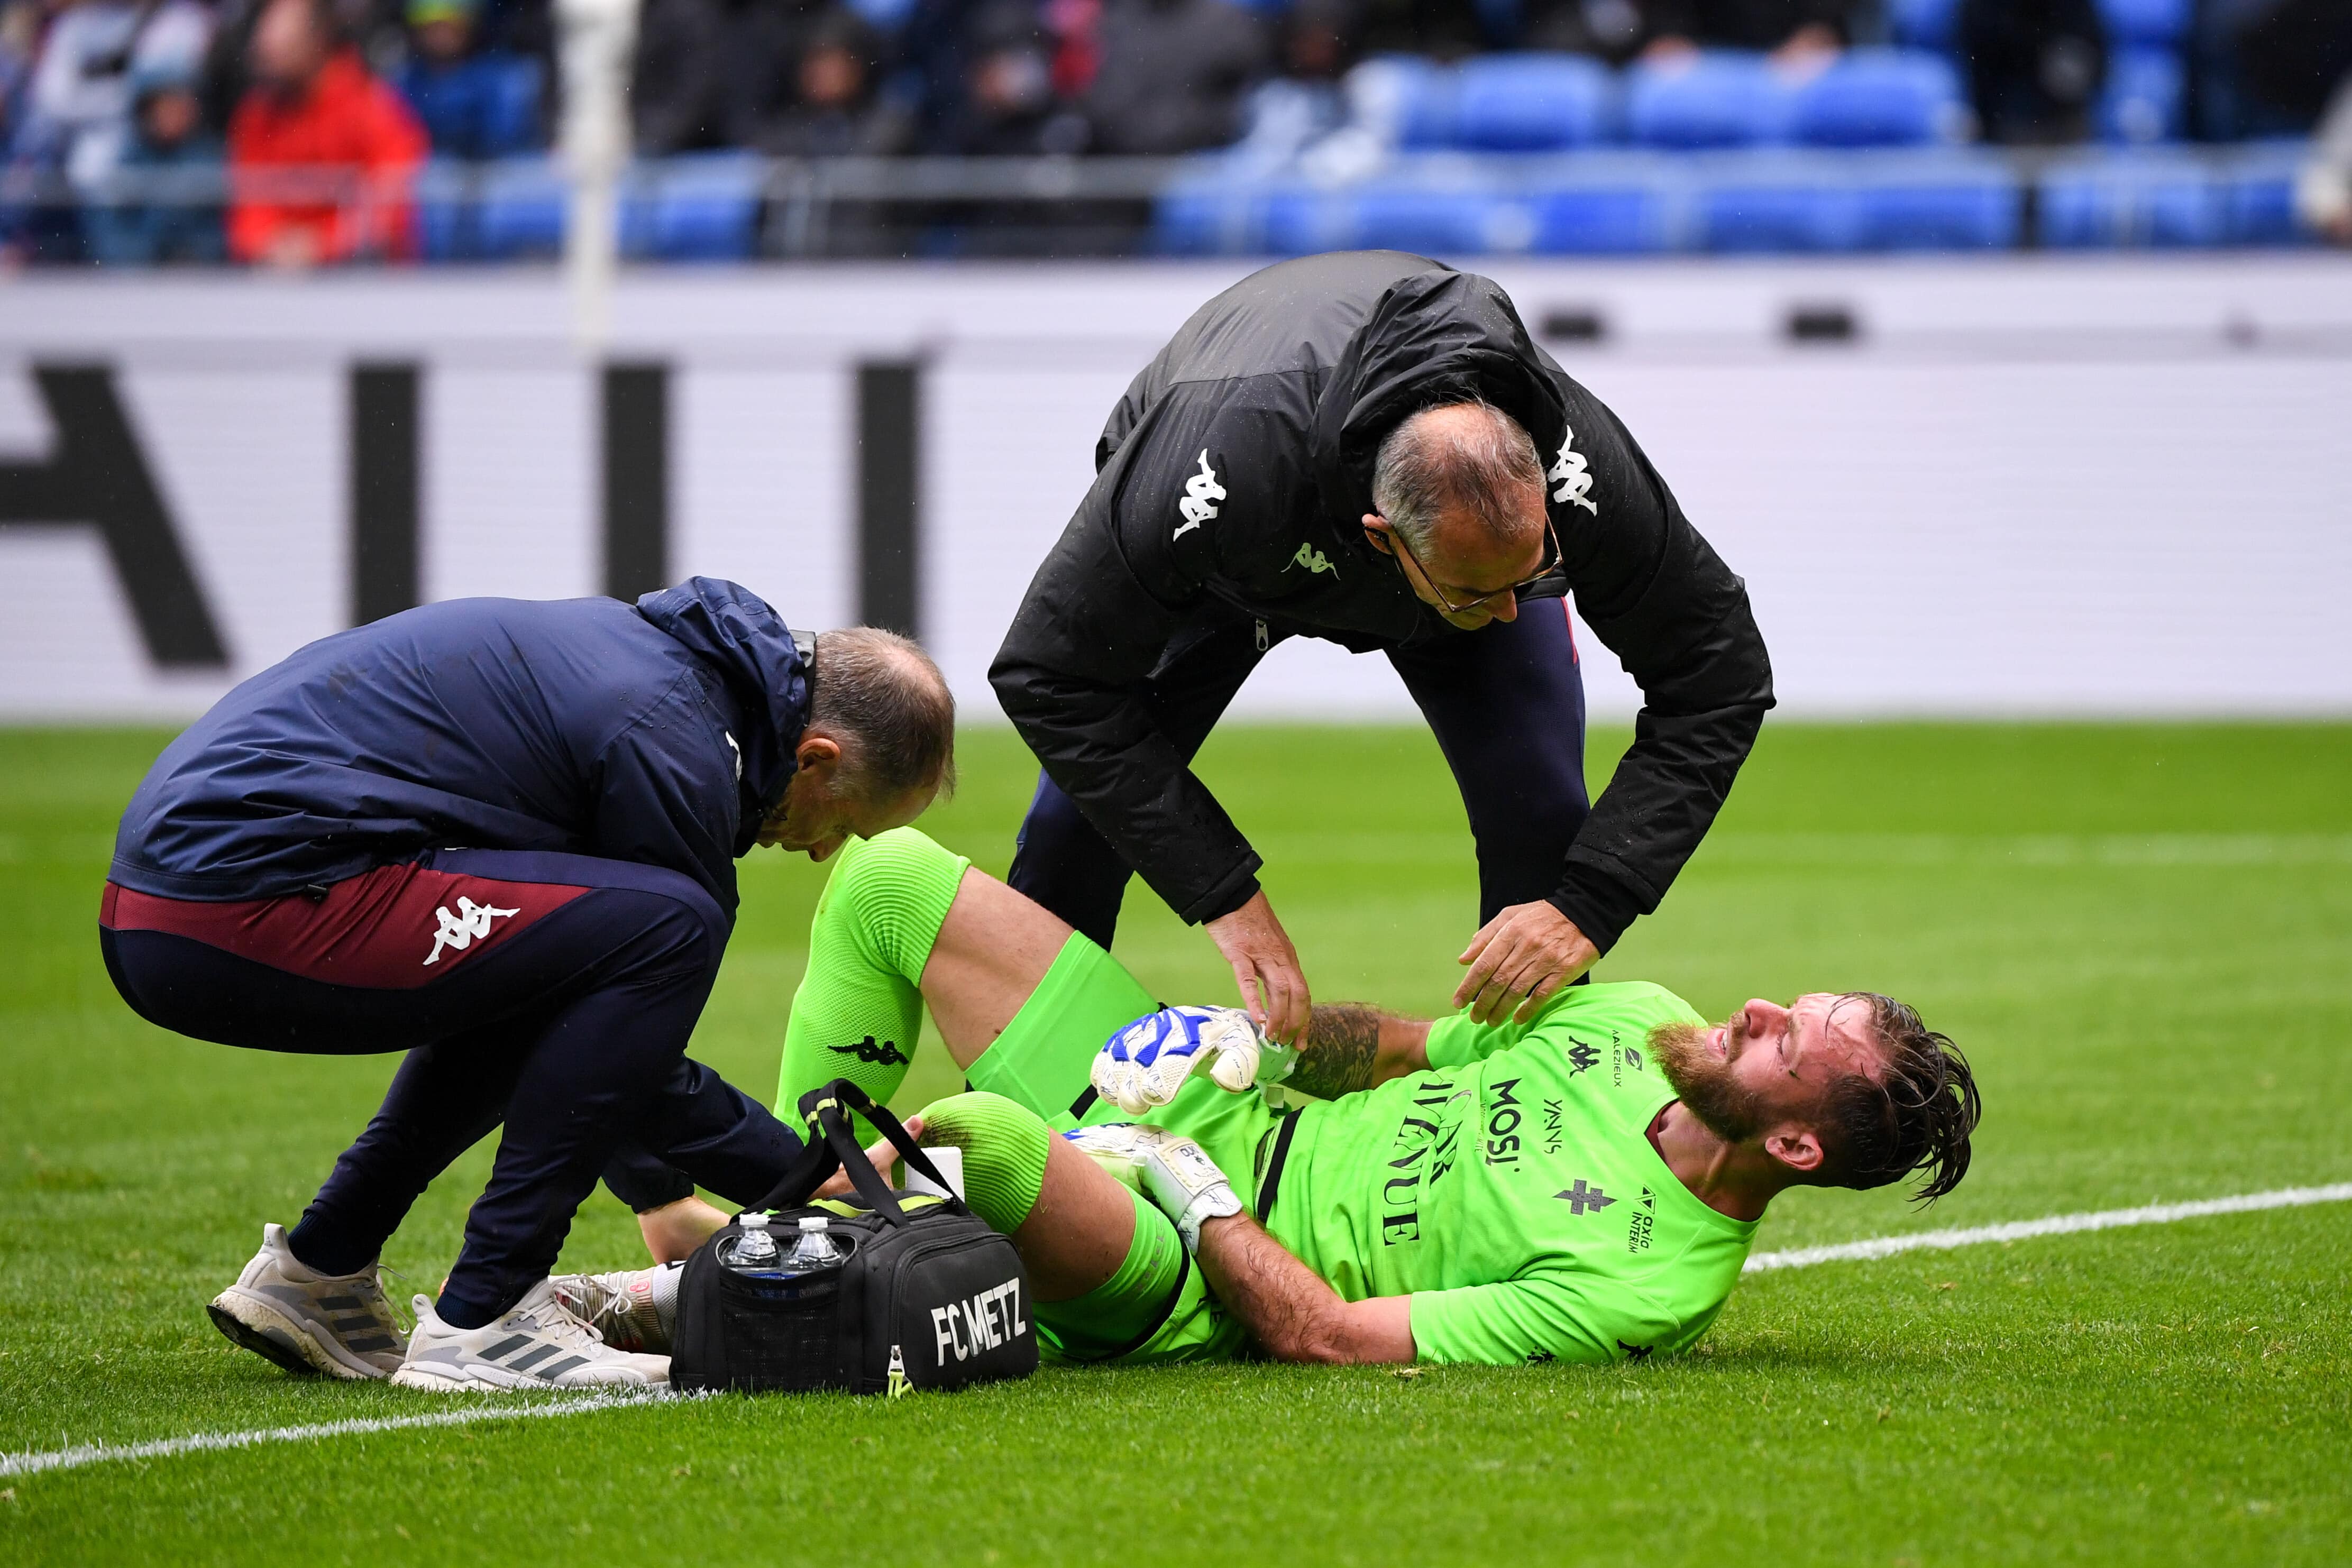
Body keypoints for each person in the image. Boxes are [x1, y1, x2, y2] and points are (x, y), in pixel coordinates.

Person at [554, 827, 1979, 1369]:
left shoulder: (1648, 1282)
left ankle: (685, 1288)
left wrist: (1191, 1191)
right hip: (1205, 1107)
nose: (1760, 1007)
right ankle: (767, 1230)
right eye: (1791, 999)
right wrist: (1261, 1041)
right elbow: (1397, 1046)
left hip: (1190, 1265)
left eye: (1792, 1038)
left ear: (1794, 1140)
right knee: (886, 881)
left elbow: (1329, 1336)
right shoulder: (1634, 1016)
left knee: (989, 1140)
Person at [99, 580, 955, 1391]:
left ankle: (321, 1268)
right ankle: (491, 1313)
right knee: (674, 927)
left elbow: (586, 1007)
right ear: (814, 756)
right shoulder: (675, 743)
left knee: (576, 951)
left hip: (171, 901)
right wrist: (804, 1173)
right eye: (844, 824)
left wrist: (665, 1192)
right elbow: (628, 1043)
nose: (820, 851)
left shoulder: (674, 683)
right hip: (232, 903)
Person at [990, 251, 1773, 1058]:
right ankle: (1024, 1110)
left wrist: (1590, 904)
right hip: (1233, 562)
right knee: (1067, 836)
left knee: (1542, 818)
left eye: (1533, 573)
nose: (1511, 609)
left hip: (1410, 542)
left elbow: (1719, 675)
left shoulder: (1577, 467)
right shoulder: (1210, 472)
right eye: (1478, 591)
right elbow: (1047, 676)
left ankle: (1518, 1104)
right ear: (1382, 539)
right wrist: (1220, 891)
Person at [225, 0, 427, 265]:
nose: (267, 46)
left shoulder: (370, 104)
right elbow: (248, 203)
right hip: (277, 270)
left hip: (360, 273)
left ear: (319, 38)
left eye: (285, 41)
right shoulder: (256, 114)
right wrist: (268, 243)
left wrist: (322, 244)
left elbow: (392, 200)